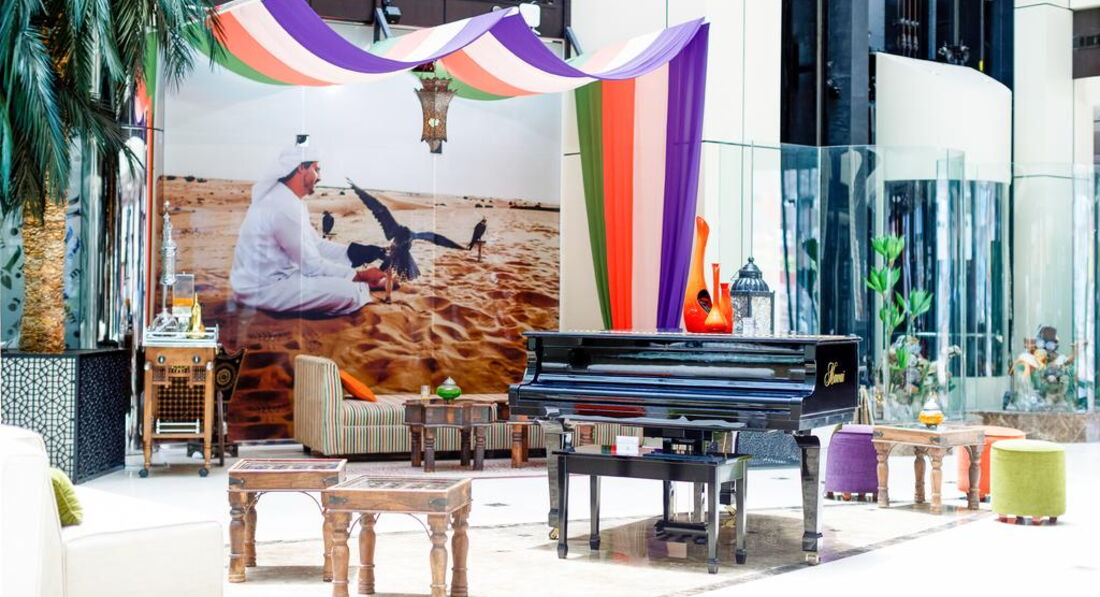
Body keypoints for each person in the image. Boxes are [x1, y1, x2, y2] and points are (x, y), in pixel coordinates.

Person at [230, 146, 387, 316]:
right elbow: (312, 266)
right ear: (300, 168)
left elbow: (315, 244)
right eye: (316, 169)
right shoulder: (284, 205)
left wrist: (353, 252)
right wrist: (360, 276)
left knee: (344, 280)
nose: (320, 177)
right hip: (263, 288)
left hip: (272, 279)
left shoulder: (286, 198)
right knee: (351, 293)